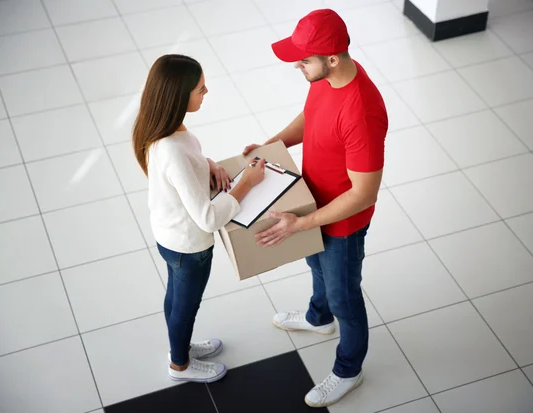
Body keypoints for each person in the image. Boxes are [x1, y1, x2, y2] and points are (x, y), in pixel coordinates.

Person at [242, 9, 388, 408]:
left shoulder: (362, 111)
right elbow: (310, 116)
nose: (298, 66)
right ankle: (318, 319)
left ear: (333, 59)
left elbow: (363, 193)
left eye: (304, 60)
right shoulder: (325, 78)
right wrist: (271, 146)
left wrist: (300, 222)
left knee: (345, 296)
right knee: (316, 267)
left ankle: (348, 370)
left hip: (341, 222)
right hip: (313, 204)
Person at [133, 54, 266, 383]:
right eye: (201, 90)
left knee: (176, 298)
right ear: (179, 96)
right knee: (185, 306)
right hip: (189, 247)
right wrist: (247, 183)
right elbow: (208, 218)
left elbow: (183, 165)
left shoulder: (164, 129)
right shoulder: (173, 149)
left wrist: (208, 164)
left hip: (169, 237)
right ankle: (180, 365)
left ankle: (180, 347)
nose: (206, 93)